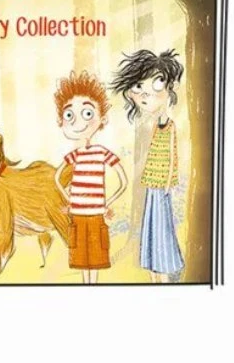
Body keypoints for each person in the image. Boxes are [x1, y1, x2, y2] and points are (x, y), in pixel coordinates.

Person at [110, 49, 185, 282]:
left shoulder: (170, 125)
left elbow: (172, 154)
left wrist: (169, 181)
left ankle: (165, 270)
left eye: (156, 83)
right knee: (151, 226)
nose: (144, 95)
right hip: (152, 184)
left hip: (162, 186)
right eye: (138, 88)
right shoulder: (154, 126)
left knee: (162, 228)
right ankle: (153, 271)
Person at [53, 70, 127, 284]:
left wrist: (106, 203)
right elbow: (57, 178)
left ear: (102, 118)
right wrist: (69, 200)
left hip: (96, 215)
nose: (78, 122)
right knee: (80, 257)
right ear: (61, 121)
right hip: (77, 215)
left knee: (95, 257)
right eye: (69, 115)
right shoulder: (75, 154)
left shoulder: (102, 152)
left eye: (87, 113)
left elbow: (123, 182)